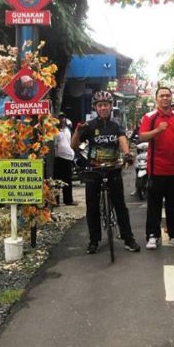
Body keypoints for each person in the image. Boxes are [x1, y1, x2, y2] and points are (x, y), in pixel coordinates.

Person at [70, 91, 140, 255]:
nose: (103, 108)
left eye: (106, 105)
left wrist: (127, 154)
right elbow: (74, 146)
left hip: (113, 169)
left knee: (120, 206)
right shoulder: (89, 126)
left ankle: (128, 239)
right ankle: (94, 241)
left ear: (111, 106)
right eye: (100, 105)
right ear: (95, 107)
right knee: (92, 206)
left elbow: (122, 140)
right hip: (94, 170)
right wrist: (77, 131)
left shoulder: (116, 126)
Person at [138, 86, 174, 249]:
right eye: (162, 96)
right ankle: (152, 236)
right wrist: (157, 130)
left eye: (168, 95)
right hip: (156, 169)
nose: (165, 98)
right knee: (154, 205)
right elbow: (142, 136)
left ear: (171, 97)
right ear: (156, 99)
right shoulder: (150, 117)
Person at [54, 114, 77, 206]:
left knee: (68, 180)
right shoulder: (55, 131)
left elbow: (69, 142)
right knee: (57, 181)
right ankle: (55, 201)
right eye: (60, 118)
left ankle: (68, 200)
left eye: (63, 118)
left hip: (68, 157)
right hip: (59, 158)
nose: (62, 120)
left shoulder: (67, 130)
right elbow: (54, 145)